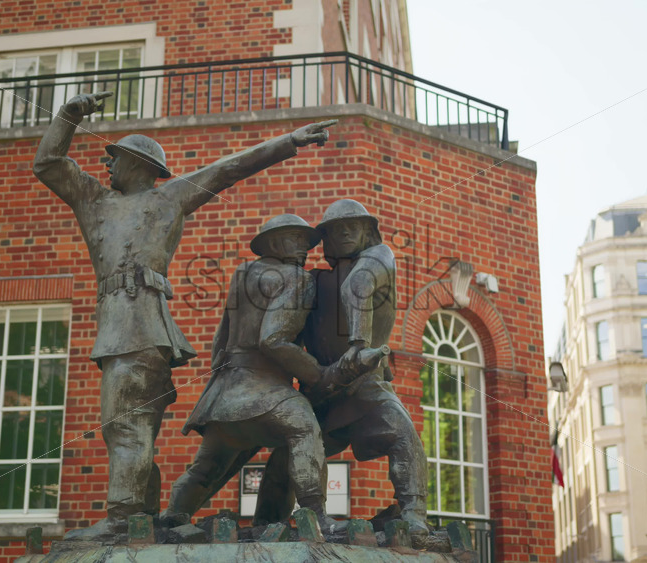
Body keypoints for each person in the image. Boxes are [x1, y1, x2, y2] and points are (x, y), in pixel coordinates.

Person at [33, 90, 335, 542]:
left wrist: (289, 141)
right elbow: (48, 164)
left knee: (126, 424)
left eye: (115, 158)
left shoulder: (169, 198)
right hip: (122, 326)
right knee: (132, 425)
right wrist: (68, 116)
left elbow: (229, 168)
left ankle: (124, 520)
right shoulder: (93, 199)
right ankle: (143, 517)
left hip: (139, 326)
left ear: (141, 165)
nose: (106, 164)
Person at [254, 199, 431, 534]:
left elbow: (360, 285)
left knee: (402, 433)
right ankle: (266, 522)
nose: (346, 231)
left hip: (365, 384)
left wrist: (358, 345)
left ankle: (414, 515)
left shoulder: (378, 257)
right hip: (324, 389)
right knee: (287, 457)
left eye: (354, 225)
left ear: (369, 231)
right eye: (336, 229)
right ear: (326, 240)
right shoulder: (312, 281)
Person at [160, 214, 344, 533]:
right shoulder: (299, 279)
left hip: (227, 391)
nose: (306, 247)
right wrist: (318, 374)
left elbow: (220, 341)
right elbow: (273, 340)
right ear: (273, 243)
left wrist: (221, 382)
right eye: (296, 239)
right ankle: (317, 516)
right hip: (267, 388)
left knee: (207, 468)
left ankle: (170, 519)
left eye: (308, 242)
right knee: (303, 431)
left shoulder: (242, 272)